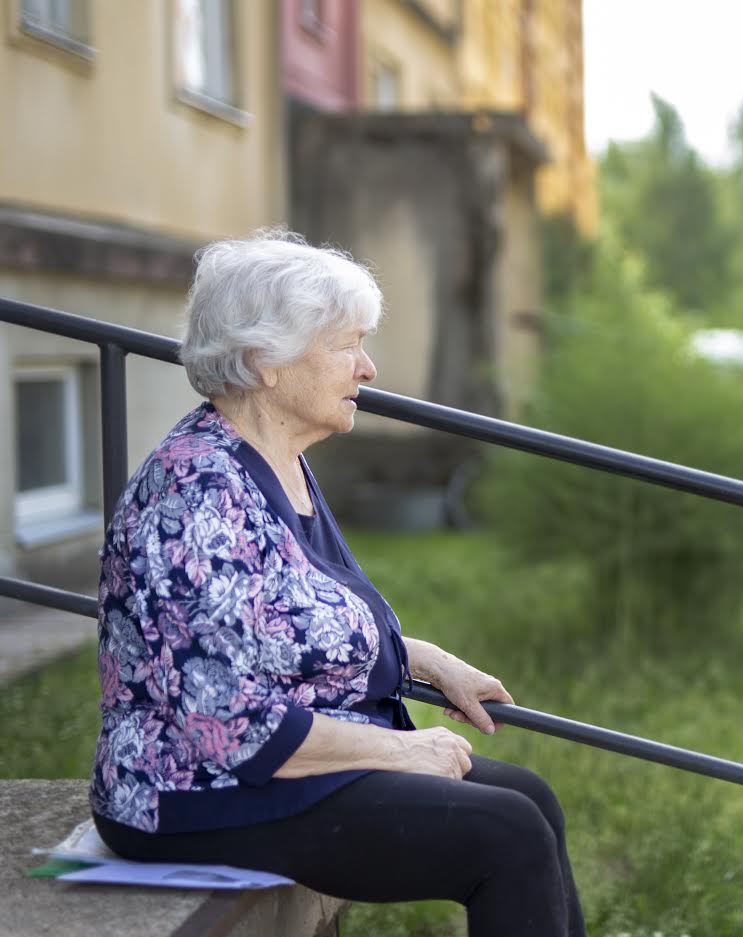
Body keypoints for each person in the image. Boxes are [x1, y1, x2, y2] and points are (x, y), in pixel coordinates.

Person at [90, 230, 585, 937]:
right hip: (193, 793)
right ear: (265, 360)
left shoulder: (275, 457)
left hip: (272, 764)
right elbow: (227, 724)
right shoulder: (194, 495)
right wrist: (404, 750)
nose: (369, 367)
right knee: (505, 834)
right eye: (345, 345)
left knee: (529, 796)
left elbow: (298, 625)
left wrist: (427, 659)